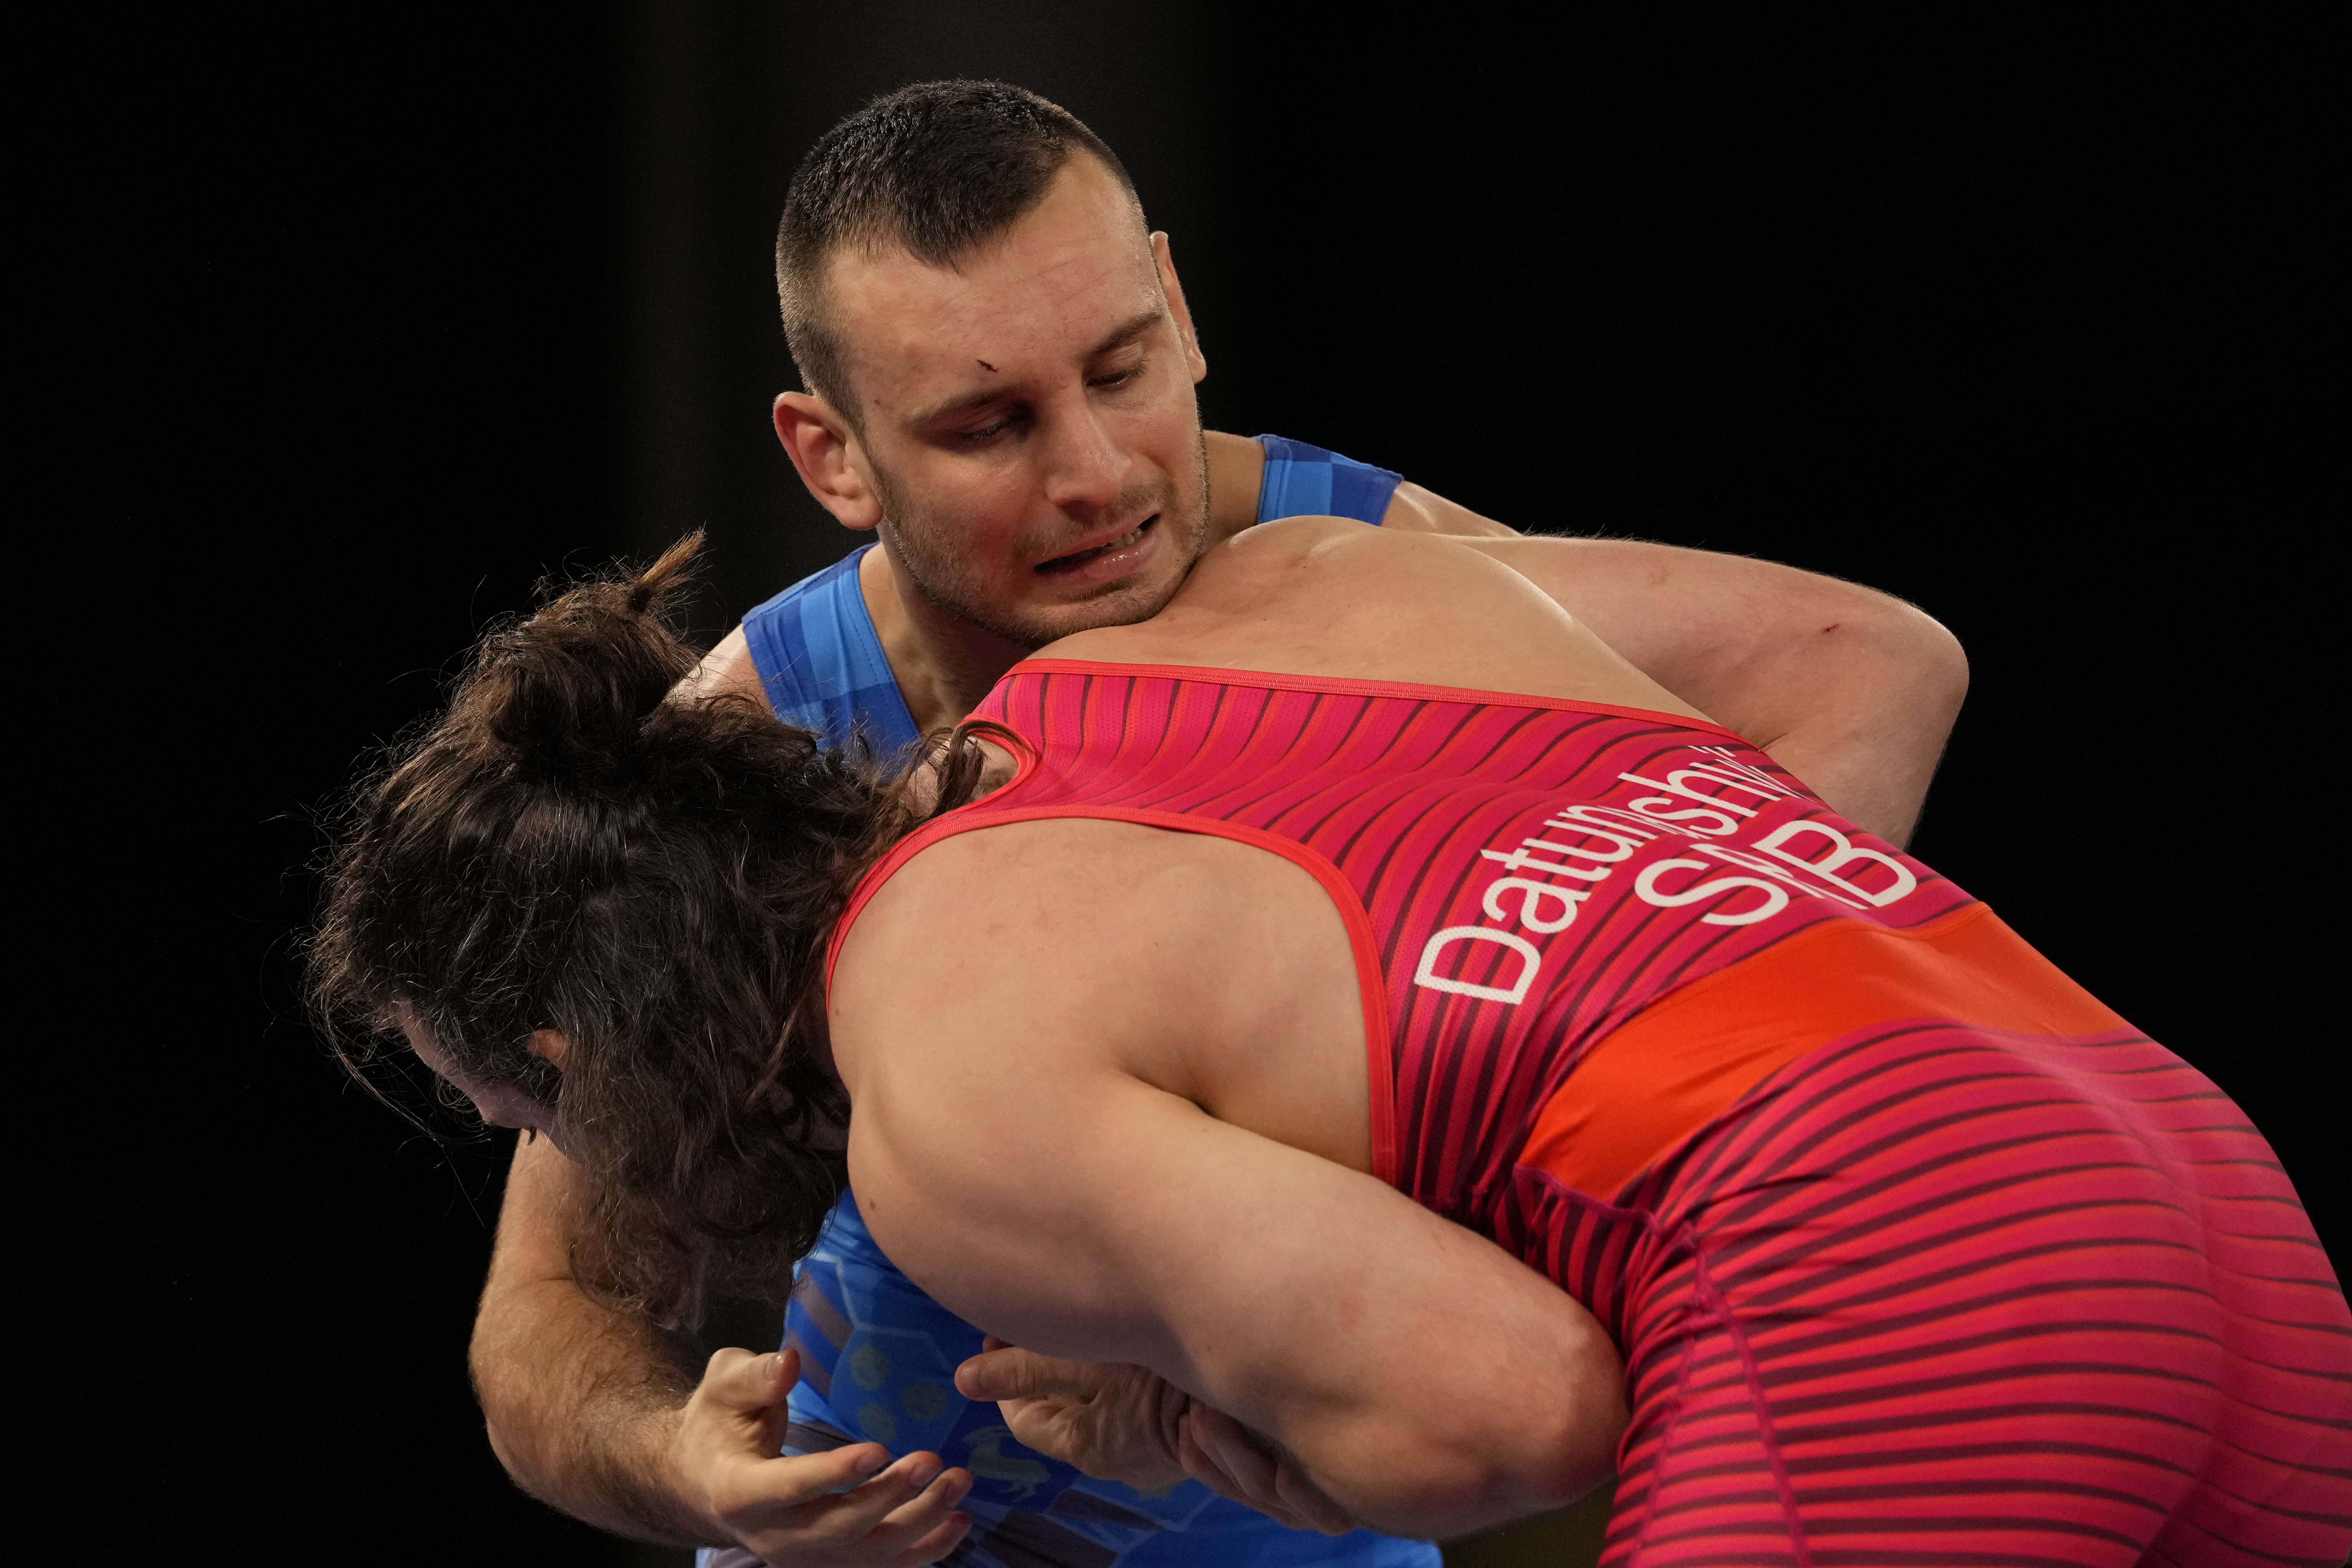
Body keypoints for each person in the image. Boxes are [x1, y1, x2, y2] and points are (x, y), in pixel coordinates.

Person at [461, 81, 1973, 1567]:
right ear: (832, 457)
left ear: (1179, 311)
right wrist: (683, 1468)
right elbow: (544, 1308)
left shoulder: (1399, 584)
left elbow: (1865, 677)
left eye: (1121, 372)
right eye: (990, 425)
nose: (1097, 478)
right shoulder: (753, 743)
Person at [318, 516, 2352, 1563]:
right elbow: (1866, 653)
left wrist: (1200, 1432)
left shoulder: (944, 1093)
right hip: (2196, 1171)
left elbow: (1515, 1421)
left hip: (1903, 1293)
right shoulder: (1276, 586)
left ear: (580, 1064)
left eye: (500, 1106)